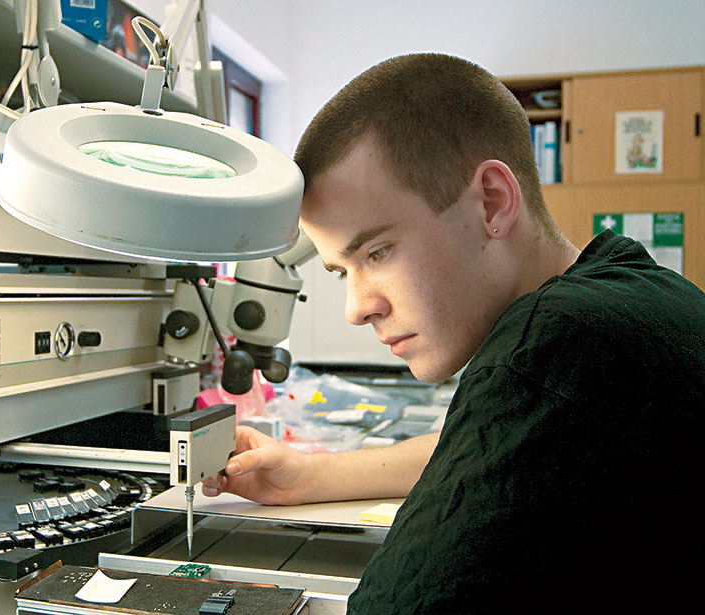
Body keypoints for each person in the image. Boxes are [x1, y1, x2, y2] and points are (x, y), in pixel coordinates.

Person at [203, 53, 704, 613]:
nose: (356, 308)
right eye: (342, 271)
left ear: (491, 201)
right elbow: (481, 447)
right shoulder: (631, 286)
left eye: (379, 251)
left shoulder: (554, 341)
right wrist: (310, 476)